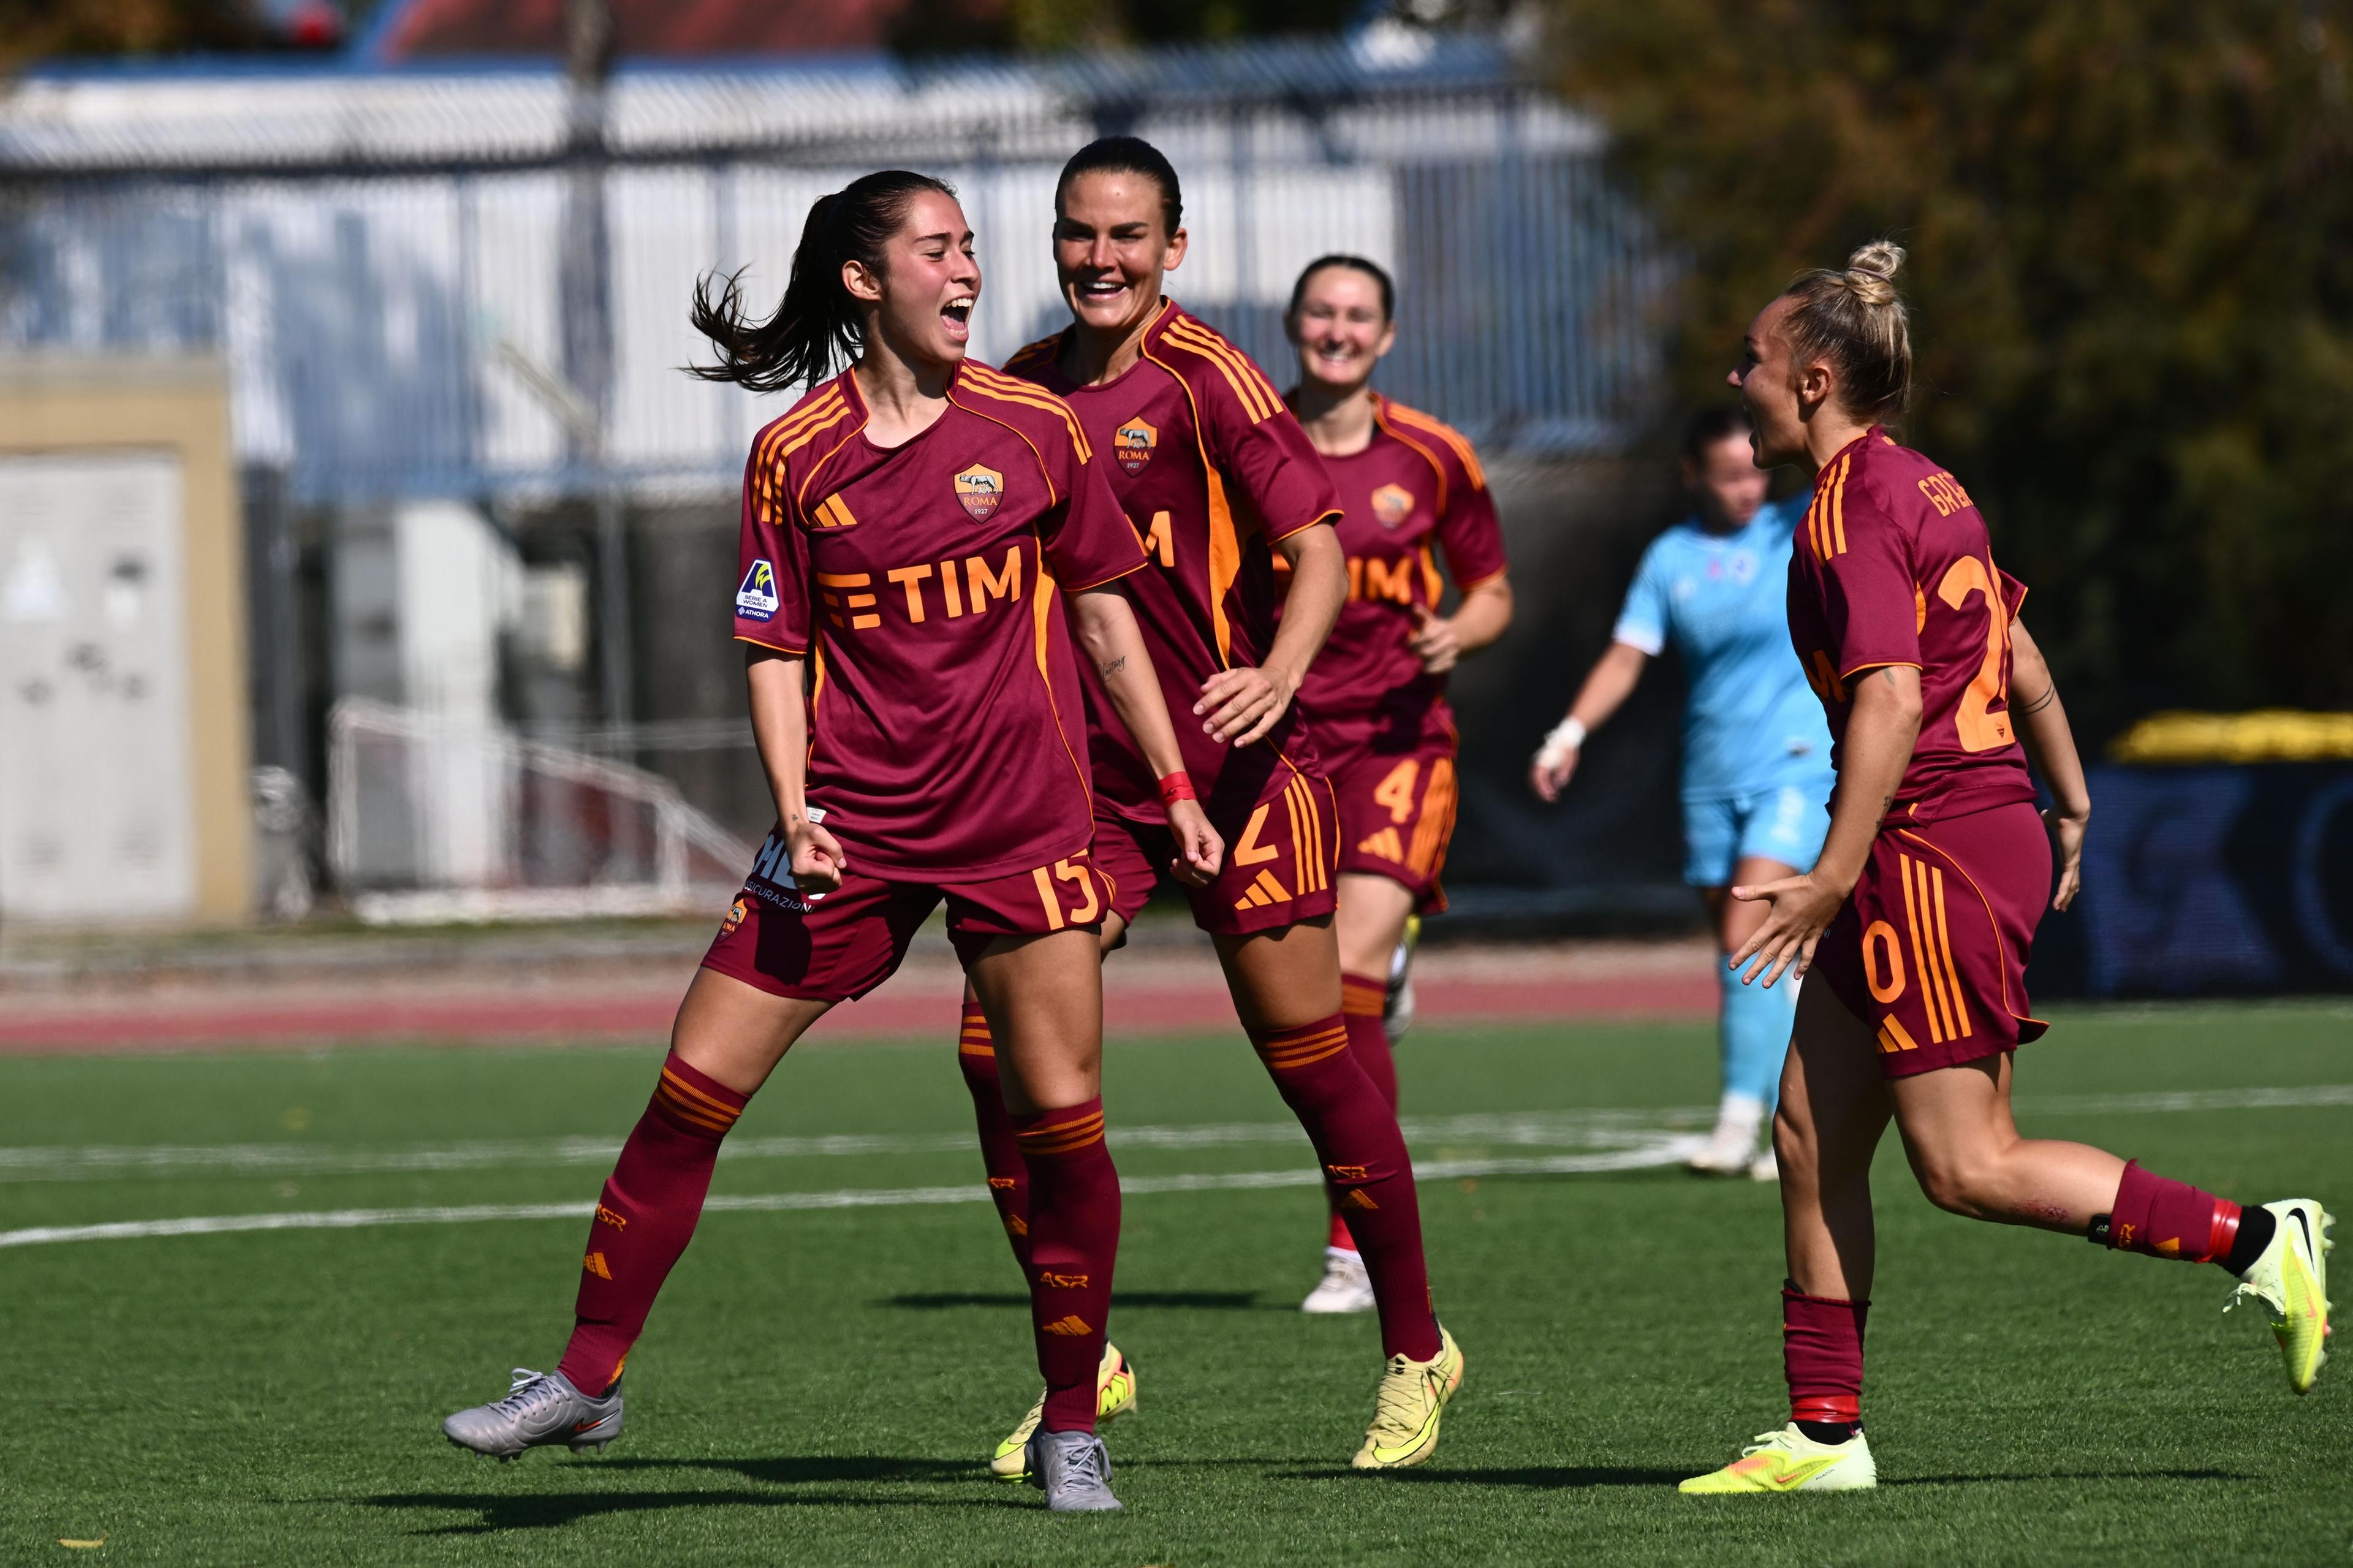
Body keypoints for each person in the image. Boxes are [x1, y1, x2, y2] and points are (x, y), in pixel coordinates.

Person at [439, 170, 1226, 1515]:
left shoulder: (1035, 428)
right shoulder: (796, 454)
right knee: (692, 1087)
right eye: (938, 250)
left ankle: (1075, 1419)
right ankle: (585, 1373)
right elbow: (774, 646)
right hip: (851, 829)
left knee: (1061, 1127)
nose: (969, 270)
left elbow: (1105, 617)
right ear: (865, 282)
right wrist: (794, 802)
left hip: (1022, 829)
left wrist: (1172, 782)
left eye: (973, 249)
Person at [1678, 241, 2332, 1494]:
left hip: (1927, 843)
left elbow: (1885, 704)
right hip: (1951, 830)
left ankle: (2262, 1238)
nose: (1733, 376)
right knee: (1810, 1132)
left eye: (1750, 361)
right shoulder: (1928, 485)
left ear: (1814, 380)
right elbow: (2016, 657)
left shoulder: (1845, 510)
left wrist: (1828, 871)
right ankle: (1823, 1436)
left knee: (1966, 1163)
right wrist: (2073, 802)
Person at [954, 136, 1464, 1478]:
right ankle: (1083, 1362)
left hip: (1240, 779)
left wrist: (1276, 674)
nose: (1101, 258)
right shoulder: (1023, 385)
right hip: (1082, 789)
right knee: (989, 1057)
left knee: (1317, 1071)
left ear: (1173, 248)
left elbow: (1321, 550)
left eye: (1128, 235)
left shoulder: (1209, 377)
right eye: (1079, 233)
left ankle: (1416, 1343)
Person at [1280, 254, 1512, 1313]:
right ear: (1296, 324)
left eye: (1357, 315)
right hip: (1283, 750)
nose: (1337, 329)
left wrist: (1455, 630)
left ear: (1387, 337)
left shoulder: (1431, 455)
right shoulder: (1248, 444)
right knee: (1303, 997)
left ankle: (1351, 1246)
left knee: (1348, 975)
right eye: (1322, 311)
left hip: (1399, 745)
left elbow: (1495, 590)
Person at [1530, 408, 1835, 1181]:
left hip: (1796, 766)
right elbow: (1627, 657)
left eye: (1756, 470)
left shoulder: (1799, 527)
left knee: (1748, 938)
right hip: (1711, 777)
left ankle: (1742, 1118)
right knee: (1756, 961)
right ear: (1692, 477)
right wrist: (1567, 735)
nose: (1747, 488)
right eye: (1728, 475)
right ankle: (1798, 1114)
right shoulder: (1672, 559)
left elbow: (1859, 457)